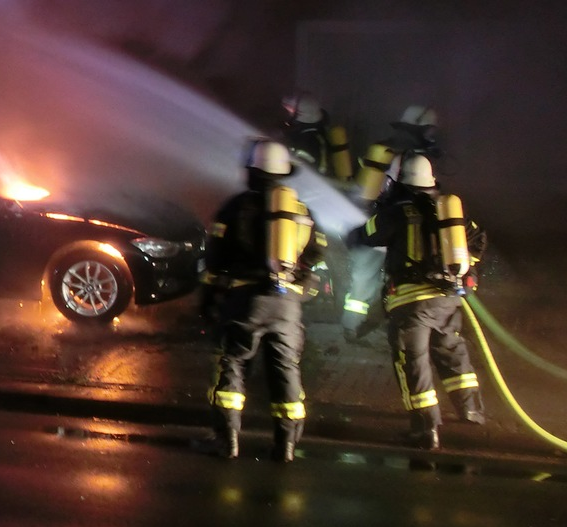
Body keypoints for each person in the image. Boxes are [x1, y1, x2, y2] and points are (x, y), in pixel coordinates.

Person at [345, 154, 486, 450]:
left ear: (399, 181)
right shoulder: (447, 208)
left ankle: (425, 429)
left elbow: (366, 235)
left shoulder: (397, 211)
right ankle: (472, 411)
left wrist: (353, 231)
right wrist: (466, 269)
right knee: (450, 351)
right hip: (448, 299)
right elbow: (477, 238)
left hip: (411, 304)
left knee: (413, 362)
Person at [198, 139, 327, 462]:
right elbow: (317, 250)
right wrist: (300, 279)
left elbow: (215, 257)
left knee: (232, 364)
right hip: (287, 305)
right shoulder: (301, 209)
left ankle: (227, 442)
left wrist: (208, 297)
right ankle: (286, 446)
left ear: (252, 171)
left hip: (246, 301)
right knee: (286, 371)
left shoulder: (237, 207)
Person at [341, 105, 441, 342]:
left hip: (384, 219)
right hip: (392, 219)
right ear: (419, 127)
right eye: (429, 130)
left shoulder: (392, 147)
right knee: (373, 272)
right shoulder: (408, 154)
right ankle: (358, 324)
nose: (432, 135)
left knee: (366, 274)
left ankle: (353, 326)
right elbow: (408, 189)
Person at [280, 92, 332, 175]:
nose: (286, 113)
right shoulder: (315, 134)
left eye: (289, 110)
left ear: (299, 115)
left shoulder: (307, 142)